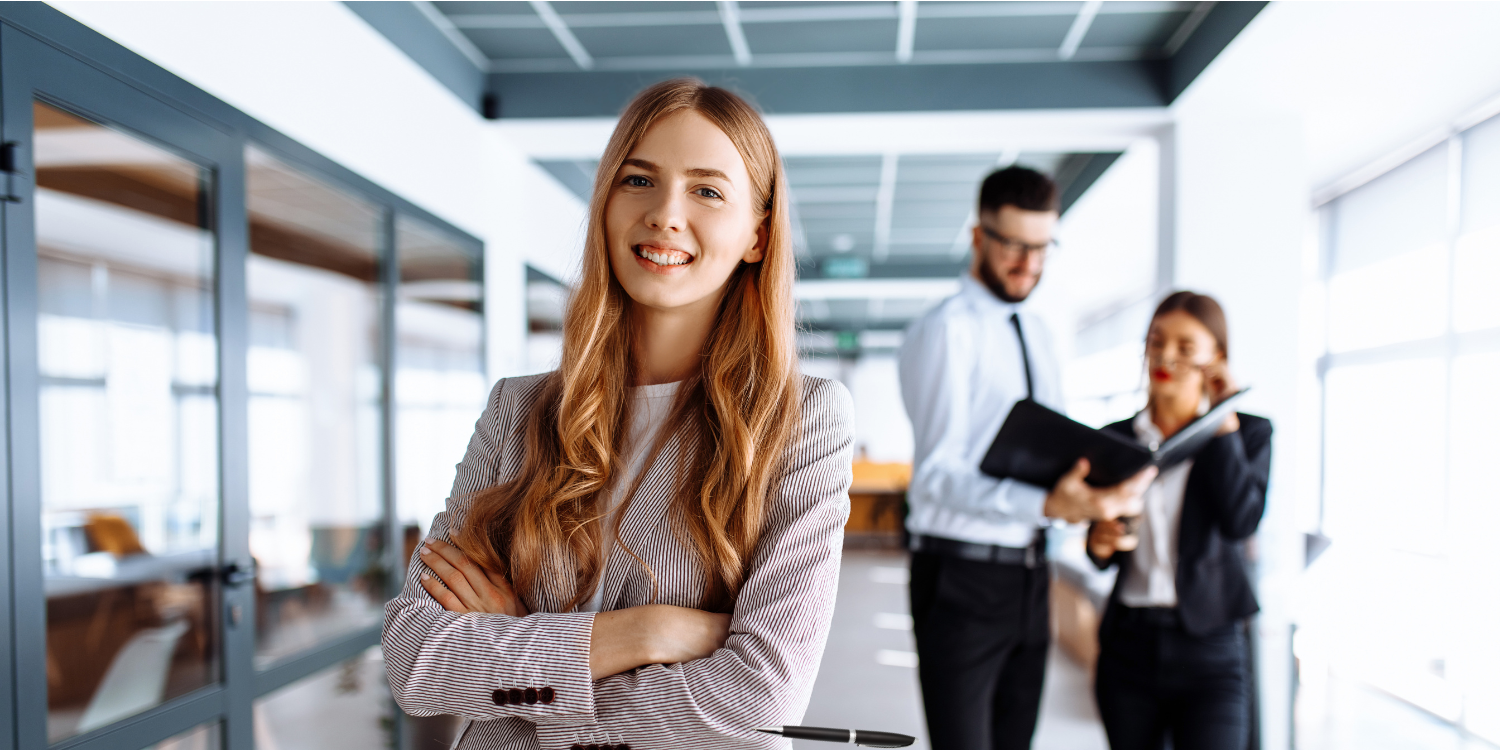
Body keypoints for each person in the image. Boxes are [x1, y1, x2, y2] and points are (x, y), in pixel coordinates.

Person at [382, 79, 854, 750]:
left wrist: (519, 663)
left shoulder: (803, 419)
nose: (665, 213)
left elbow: (759, 699)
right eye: (638, 180)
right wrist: (644, 634)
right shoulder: (517, 410)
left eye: (707, 190)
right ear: (605, 204)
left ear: (757, 233)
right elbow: (415, 660)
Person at [897, 166, 1156, 750]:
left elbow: (1047, 450)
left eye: (1041, 248)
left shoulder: (1039, 330)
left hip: (1031, 574)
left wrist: (1090, 496)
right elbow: (935, 477)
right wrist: (1044, 501)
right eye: (1014, 245)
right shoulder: (945, 332)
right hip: (961, 579)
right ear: (978, 236)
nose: (1028, 264)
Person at [1087, 291, 1272, 750]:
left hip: (1211, 650)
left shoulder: (1249, 433)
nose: (1165, 356)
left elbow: (1240, 522)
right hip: (1129, 647)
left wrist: (1222, 422)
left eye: (1186, 348)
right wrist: (1100, 540)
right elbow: (1100, 554)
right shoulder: (1115, 439)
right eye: (1156, 341)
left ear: (1218, 359)